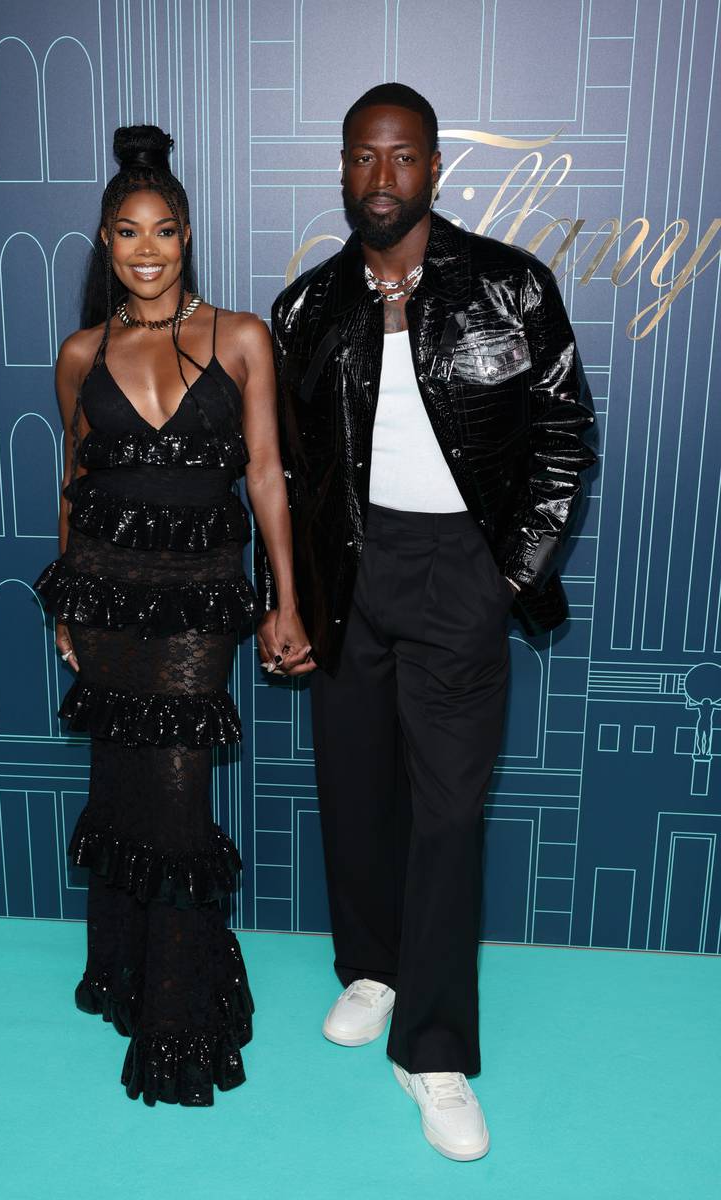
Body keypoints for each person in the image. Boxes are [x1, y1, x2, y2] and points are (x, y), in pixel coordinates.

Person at [259, 83, 595, 1159]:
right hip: (352, 574)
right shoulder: (308, 309)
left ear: (435, 167)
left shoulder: (510, 286)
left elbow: (560, 439)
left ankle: (435, 1049)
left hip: (460, 570)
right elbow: (299, 477)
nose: (378, 179)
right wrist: (296, 601)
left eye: (400, 158)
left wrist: (502, 579)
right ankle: (371, 966)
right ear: (341, 167)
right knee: (354, 791)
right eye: (361, 157)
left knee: (447, 814)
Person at [36, 125, 313, 1107]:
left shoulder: (238, 337)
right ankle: (121, 972)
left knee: (175, 795)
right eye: (125, 233)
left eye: (162, 231)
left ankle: (179, 1010)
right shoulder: (80, 353)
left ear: (186, 237)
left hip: (199, 601)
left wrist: (283, 597)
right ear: (106, 244)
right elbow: (75, 485)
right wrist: (66, 605)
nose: (145, 250)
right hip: (106, 596)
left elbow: (269, 476)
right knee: (119, 783)